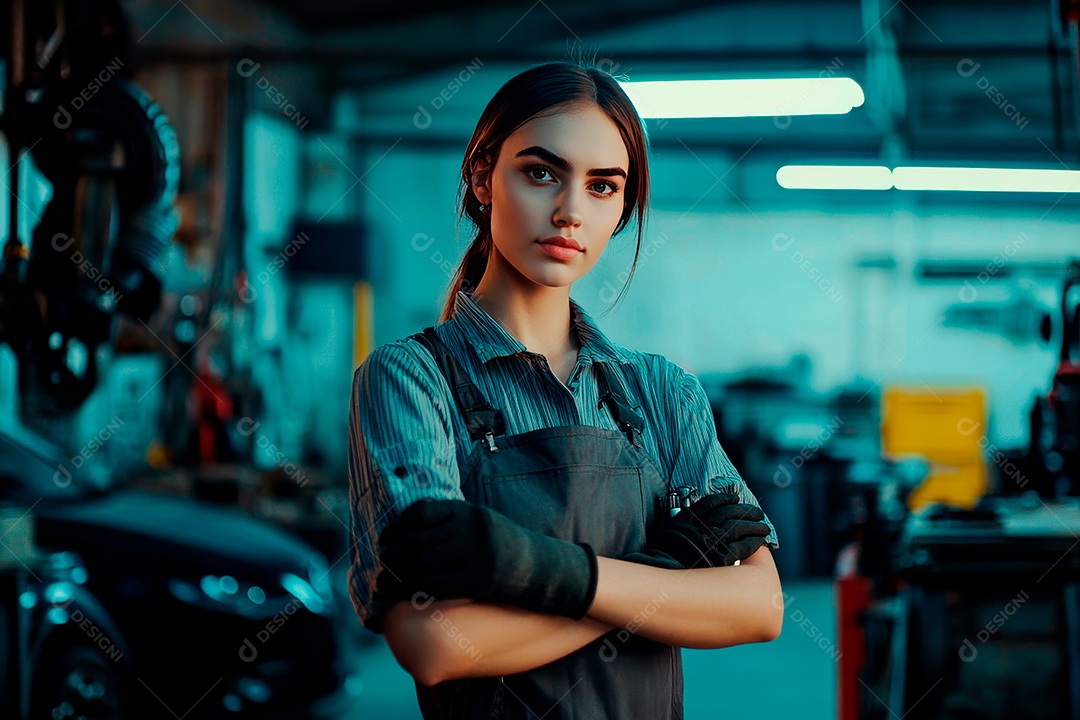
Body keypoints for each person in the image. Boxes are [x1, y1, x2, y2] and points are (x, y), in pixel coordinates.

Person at [346, 58, 782, 720]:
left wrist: (542, 574)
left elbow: (760, 605)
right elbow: (433, 643)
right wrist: (666, 575)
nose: (570, 211)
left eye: (603, 187)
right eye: (541, 172)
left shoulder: (662, 392)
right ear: (481, 176)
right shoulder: (410, 378)